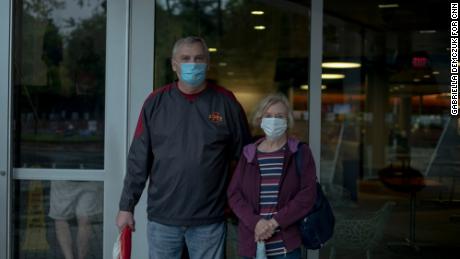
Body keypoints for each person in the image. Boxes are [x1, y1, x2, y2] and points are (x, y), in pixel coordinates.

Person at [116, 36, 251, 259]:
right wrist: (126, 206)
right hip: (163, 220)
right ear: (174, 64)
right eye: (185, 58)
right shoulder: (155, 103)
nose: (192, 63)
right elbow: (138, 159)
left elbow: (246, 160)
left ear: (208, 63)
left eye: (198, 58)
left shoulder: (226, 103)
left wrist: (243, 208)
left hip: (210, 219)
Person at [227, 93, 317, 259]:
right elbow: (234, 194)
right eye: (268, 116)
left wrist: (274, 223)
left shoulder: (299, 152)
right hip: (252, 245)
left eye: (279, 116)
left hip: (286, 248)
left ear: (287, 120)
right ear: (260, 119)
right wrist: (256, 222)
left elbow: (307, 195)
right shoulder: (249, 154)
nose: (273, 120)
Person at [49, 180, 102, 259]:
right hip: (86, 174)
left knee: (81, 220)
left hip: (87, 175)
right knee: (63, 219)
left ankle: (74, 257)